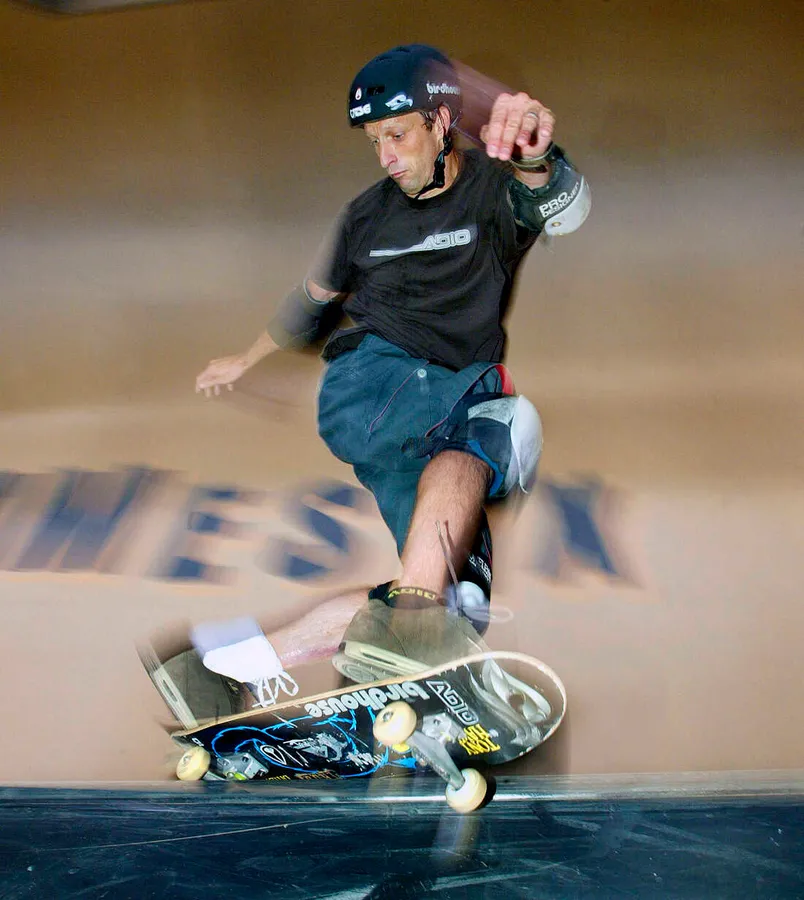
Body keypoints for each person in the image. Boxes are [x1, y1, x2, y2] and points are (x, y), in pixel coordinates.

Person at [193, 44, 590, 706]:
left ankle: (229, 666)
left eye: (398, 135)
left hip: (424, 424)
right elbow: (312, 301)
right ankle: (406, 650)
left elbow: (562, 207)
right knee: (501, 418)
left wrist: (534, 155)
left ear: (441, 121)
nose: (386, 156)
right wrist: (247, 356)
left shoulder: (492, 190)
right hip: (371, 386)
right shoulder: (365, 217)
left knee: (444, 602)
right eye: (375, 140)